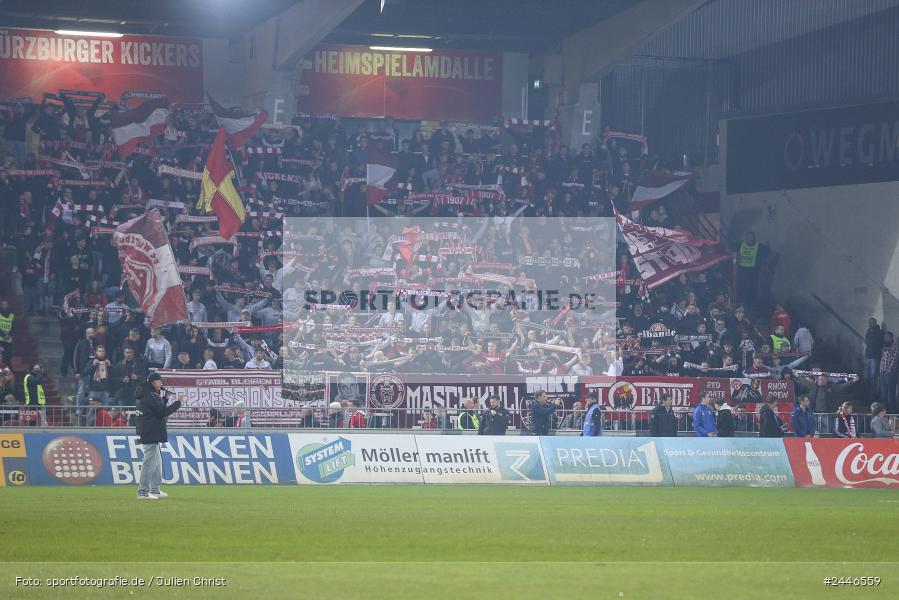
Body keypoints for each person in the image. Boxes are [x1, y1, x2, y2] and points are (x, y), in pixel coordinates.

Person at [135, 373, 181, 500]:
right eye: (160, 381)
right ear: (154, 382)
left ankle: (155, 490)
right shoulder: (150, 395)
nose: (161, 384)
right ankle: (142, 492)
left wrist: (165, 398)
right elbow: (163, 412)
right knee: (149, 463)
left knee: (156, 463)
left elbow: (156, 410)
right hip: (150, 431)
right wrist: (178, 402)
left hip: (150, 431)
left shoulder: (148, 393)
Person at [878, 331, 897, 411]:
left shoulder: (895, 347)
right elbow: (882, 359)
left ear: (891, 338)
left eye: (887, 337)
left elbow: (894, 360)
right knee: (883, 393)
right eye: (885, 337)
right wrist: (881, 370)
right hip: (882, 373)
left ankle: (892, 411)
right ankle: (884, 411)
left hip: (890, 373)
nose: (885, 339)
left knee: (890, 394)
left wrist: (890, 370)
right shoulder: (884, 346)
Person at [864, 318, 883, 396]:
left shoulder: (880, 332)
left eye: (871, 323)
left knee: (873, 377)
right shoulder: (868, 331)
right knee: (866, 376)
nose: (870, 324)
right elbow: (867, 342)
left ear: (875, 323)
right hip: (868, 356)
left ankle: (873, 394)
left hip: (875, 357)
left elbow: (879, 344)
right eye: (869, 323)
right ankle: (867, 393)